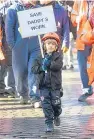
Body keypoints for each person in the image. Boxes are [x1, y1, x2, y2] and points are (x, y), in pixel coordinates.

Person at [5, 0, 41, 104]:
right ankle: (23, 94)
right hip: (19, 46)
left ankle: (34, 96)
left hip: (35, 45)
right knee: (20, 72)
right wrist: (13, 45)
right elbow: (9, 28)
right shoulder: (13, 9)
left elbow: (44, 26)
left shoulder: (38, 9)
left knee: (34, 70)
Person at [31, 32, 63, 132]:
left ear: (56, 46)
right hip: (43, 86)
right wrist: (41, 67)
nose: (51, 46)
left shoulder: (58, 56)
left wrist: (49, 63)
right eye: (48, 43)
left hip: (55, 86)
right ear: (44, 45)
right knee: (46, 105)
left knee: (56, 104)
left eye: (53, 44)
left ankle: (57, 114)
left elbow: (58, 66)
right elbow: (33, 69)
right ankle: (49, 122)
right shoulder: (39, 57)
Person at [71, 0, 94, 102]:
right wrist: (77, 18)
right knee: (82, 66)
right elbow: (73, 18)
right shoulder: (78, 2)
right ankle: (87, 90)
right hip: (83, 39)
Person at [0, 0, 15, 97]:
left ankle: (10, 88)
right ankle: (2, 87)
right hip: (3, 40)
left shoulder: (14, 5)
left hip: (6, 39)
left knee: (9, 64)